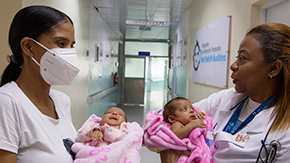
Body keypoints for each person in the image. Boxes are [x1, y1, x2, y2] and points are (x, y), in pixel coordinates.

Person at [160, 22, 290, 163]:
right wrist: (168, 145)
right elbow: (165, 118)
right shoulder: (225, 98)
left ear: (273, 69)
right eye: (237, 57)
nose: (233, 65)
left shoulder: (285, 130)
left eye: (243, 58)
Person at [0, 5, 79, 163]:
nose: (69, 53)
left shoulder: (62, 101)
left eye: (72, 45)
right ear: (28, 47)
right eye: (61, 44)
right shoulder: (7, 102)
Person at [143, 97, 214, 163]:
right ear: (172, 119)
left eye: (192, 108)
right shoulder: (177, 124)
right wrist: (192, 125)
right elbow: (177, 135)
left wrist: (200, 118)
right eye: (184, 109)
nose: (191, 111)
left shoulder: (188, 122)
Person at [65, 107, 143, 163]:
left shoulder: (124, 130)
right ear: (102, 119)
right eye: (109, 112)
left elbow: (122, 139)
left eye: (120, 114)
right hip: (91, 156)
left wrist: (104, 129)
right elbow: (80, 136)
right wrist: (94, 132)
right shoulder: (93, 125)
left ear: (124, 122)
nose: (114, 113)